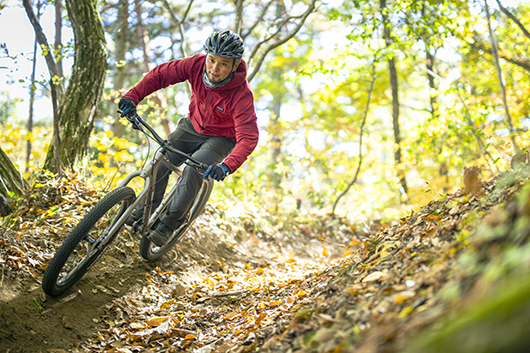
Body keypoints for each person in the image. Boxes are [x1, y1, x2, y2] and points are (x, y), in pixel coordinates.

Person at [118, 29, 259, 246]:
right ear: (207, 57)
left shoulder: (241, 95)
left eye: (223, 63)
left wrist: (227, 166)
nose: (214, 68)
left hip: (221, 138)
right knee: (163, 158)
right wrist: (133, 96)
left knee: (195, 168)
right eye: (212, 60)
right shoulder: (195, 65)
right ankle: (144, 209)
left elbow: (248, 137)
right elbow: (160, 75)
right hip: (192, 126)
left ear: (234, 65)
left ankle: (169, 222)